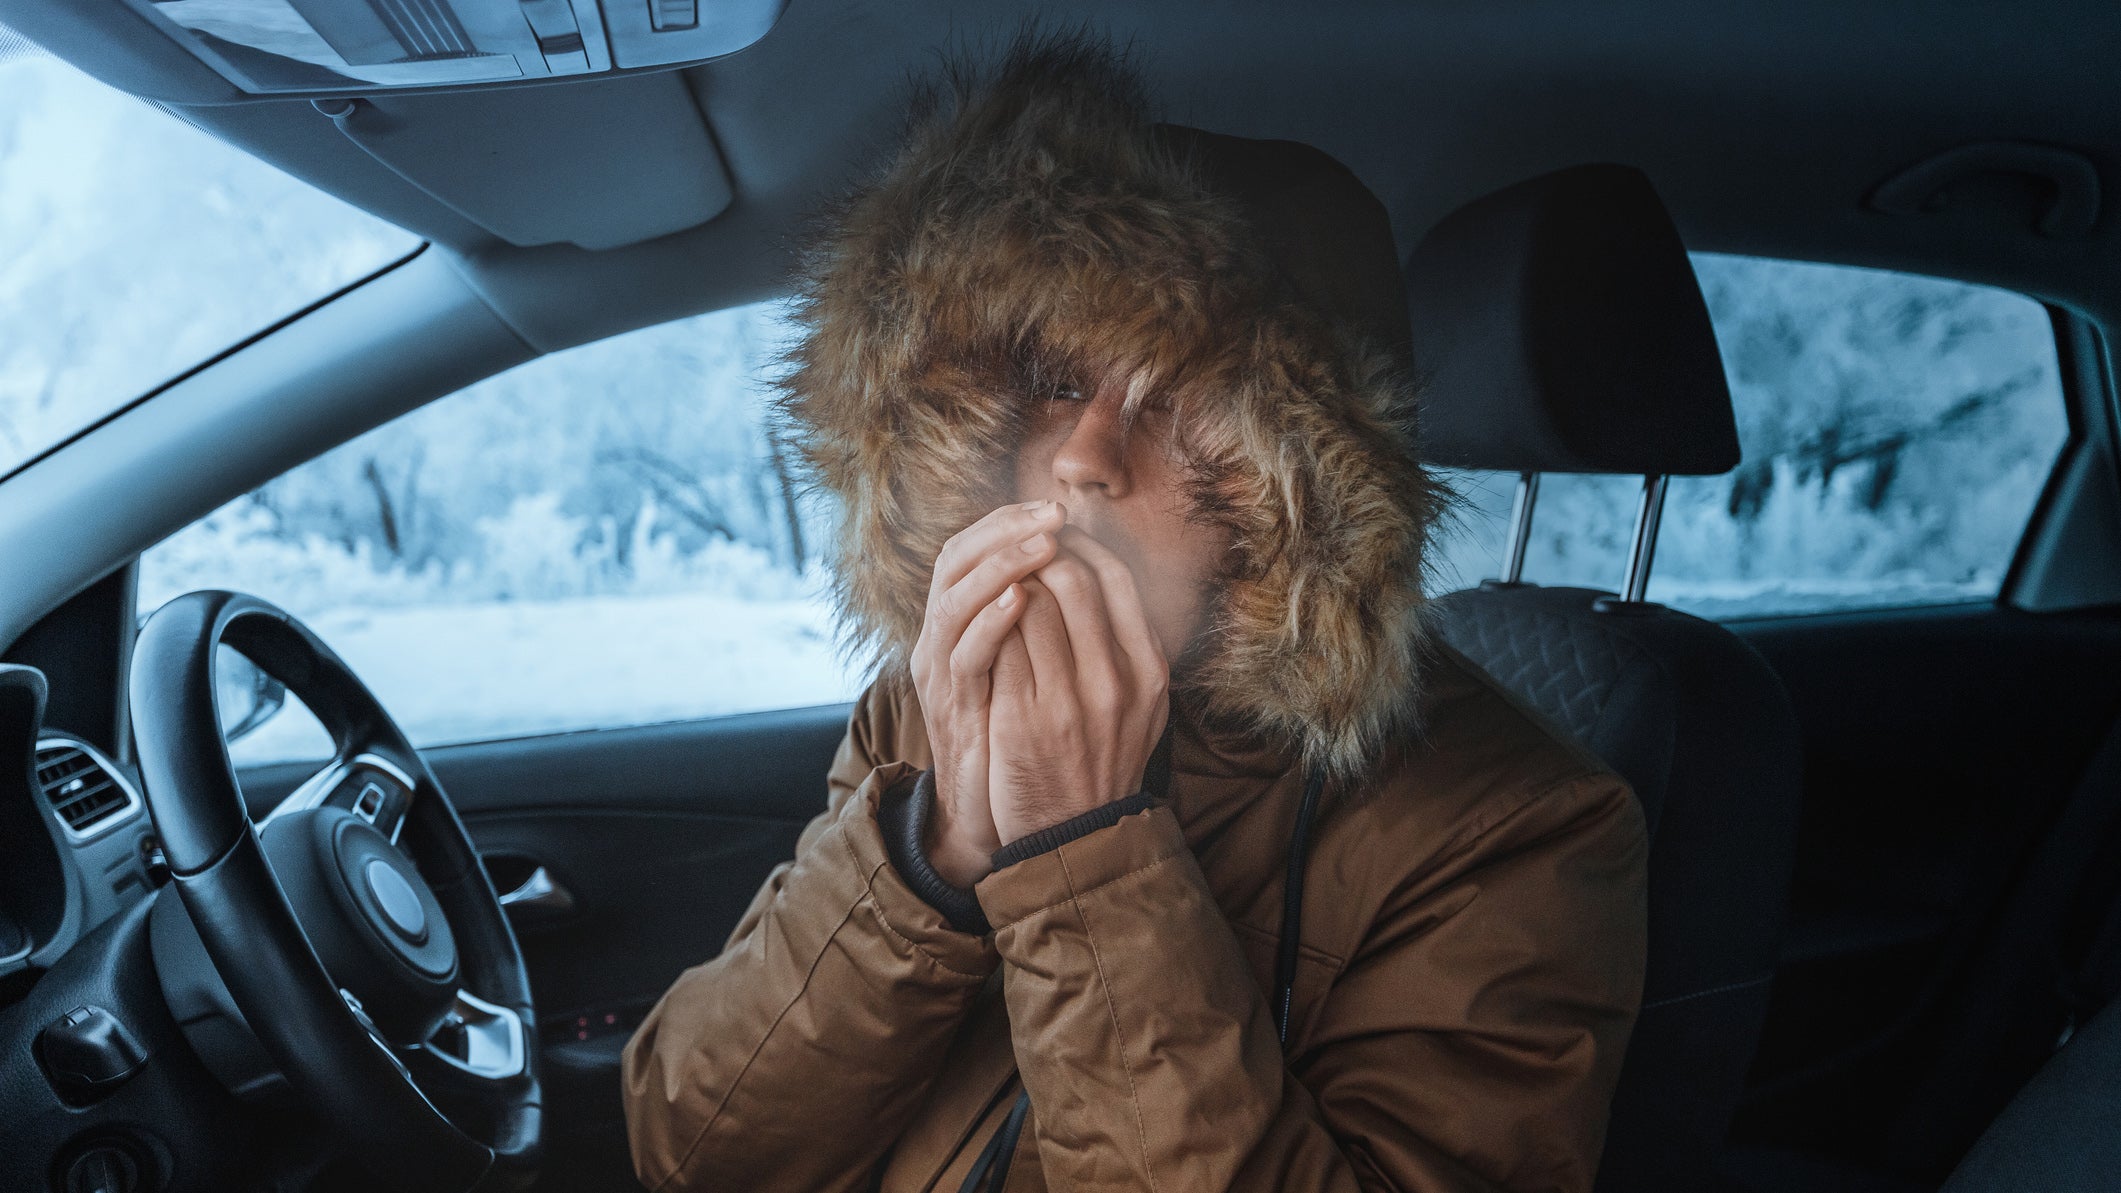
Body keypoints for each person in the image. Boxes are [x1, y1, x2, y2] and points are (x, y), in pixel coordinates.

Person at [621, 35, 1648, 1193]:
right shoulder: (928, 709)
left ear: (1306, 481)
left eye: (1183, 399)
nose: (1085, 458)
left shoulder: (1518, 830)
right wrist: (938, 847)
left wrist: (1084, 850)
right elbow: (691, 1148)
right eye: (1059, 381)